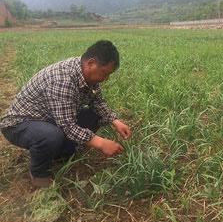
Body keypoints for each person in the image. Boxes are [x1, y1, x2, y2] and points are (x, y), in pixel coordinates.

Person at [0, 40, 131, 187]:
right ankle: (38, 173)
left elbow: (97, 102)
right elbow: (67, 126)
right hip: (20, 124)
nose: (105, 79)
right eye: (105, 73)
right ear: (91, 63)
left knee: (94, 115)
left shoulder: (87, 74)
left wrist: (115, 121)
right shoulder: (63, 79)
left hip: (49, 119)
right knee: (51, 135)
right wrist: (101, 143)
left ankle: (60, 154)